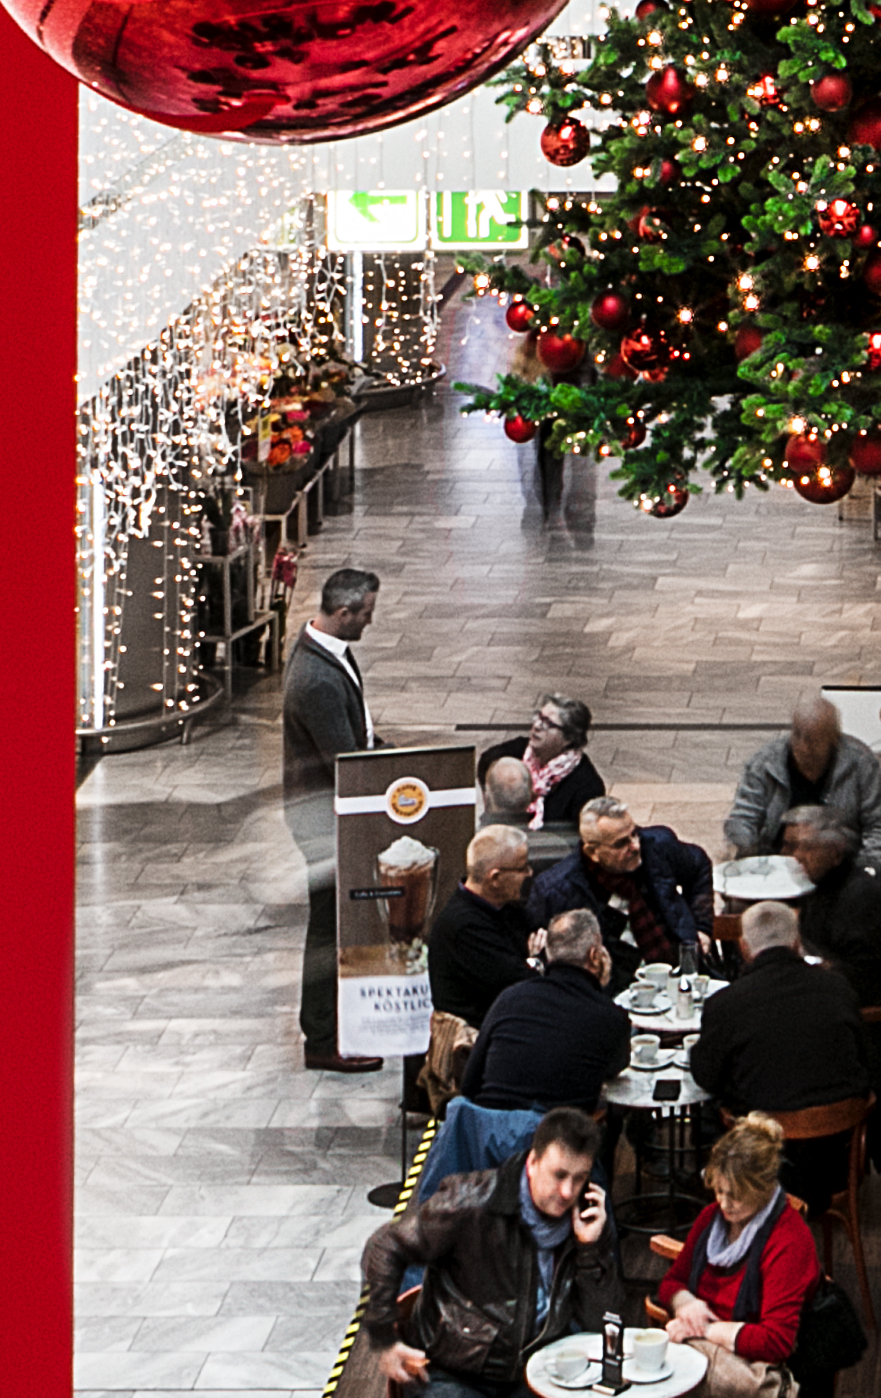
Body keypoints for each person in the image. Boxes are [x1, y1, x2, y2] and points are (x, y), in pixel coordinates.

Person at [364, 1107, 629, 1393]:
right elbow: (385, 1246)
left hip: (537, 1369)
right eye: (559, 1175)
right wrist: (383, 1339)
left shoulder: (585, 1219)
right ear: (532, 1163)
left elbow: (601, 1322)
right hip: (454, 1371)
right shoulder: (472, 1204)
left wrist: (590, 1251)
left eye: (579, 1178)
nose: (567, 1191)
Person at [284, 563, 381, 1073]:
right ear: (342, 613)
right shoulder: (317, 680)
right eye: (365, 614)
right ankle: (322, 1038)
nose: (369, 622)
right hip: (323, 820)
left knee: (332, 923)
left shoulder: (325, 651)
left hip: (323, 812)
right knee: (327, 929)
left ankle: (331, 1022)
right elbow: (346, 763)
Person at [781, 811, 881, 1164]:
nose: (795, 856)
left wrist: (813, 971)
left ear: (836, 851)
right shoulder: (820, 883)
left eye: (805, 848)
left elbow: (864, 975)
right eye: (791, 845)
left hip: (855, 1017)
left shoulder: (858, 896)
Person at [658, 1111, 823, 1398]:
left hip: (744, 1364)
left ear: (763, 1189)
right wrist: (686, 1304)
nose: (724, 1203)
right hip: (704, 1351)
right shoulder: (711, 1218)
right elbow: (672, 1283)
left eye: (735, 1194)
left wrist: (702, 1330)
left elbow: (776, 1341)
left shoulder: (789, 1240)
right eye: (719, 1191)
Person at [692, 899, 869, 1116]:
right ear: (796, 943)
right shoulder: (837, 986)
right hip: (839, 1131)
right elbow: (862, 1055)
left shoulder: (725, 1004)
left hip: (760, 1138)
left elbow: (707, 1077)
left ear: (743, 947)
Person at [460, 905, 634, 1112]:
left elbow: (469, 1084)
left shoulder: (510, 998)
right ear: (595, 956)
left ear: (549, 955)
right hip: (556, 1138)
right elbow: (612, 1071)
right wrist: (601, 986)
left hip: (487, 1132)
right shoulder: (612, 1019)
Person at [532, 793, 715, 970]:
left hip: (679, 966)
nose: (635, 846)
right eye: (621, 844)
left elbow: (699, 865)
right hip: (611, 984)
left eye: (634, 834)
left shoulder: (657, 845)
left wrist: (702, 926)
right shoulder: (556, 891)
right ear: (592, 852)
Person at [725, 692, 881, 862]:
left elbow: (878, 825)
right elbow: (743, 817)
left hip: (844, 862)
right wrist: (748, 852)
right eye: (798, 735)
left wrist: (868, 867)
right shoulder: (764, 763)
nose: (804, 747)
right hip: (778, 860)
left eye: (814, 740)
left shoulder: (861, 763)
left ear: (833, 738)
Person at [429, 824, 541, 1032]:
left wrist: (531, 962)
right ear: (495, 878)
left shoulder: (509, 908)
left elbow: (542, 938)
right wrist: (536, 962)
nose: (529, 873)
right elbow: (522, 987)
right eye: (522, 868)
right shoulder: (463, 927)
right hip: (483, 1042)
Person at [480, 694, 605, 838]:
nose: (537, 726)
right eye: (538, 717)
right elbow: (485, 762)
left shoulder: (587, 787)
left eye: (548, 724)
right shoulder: (512, 752)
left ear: (569, 738)